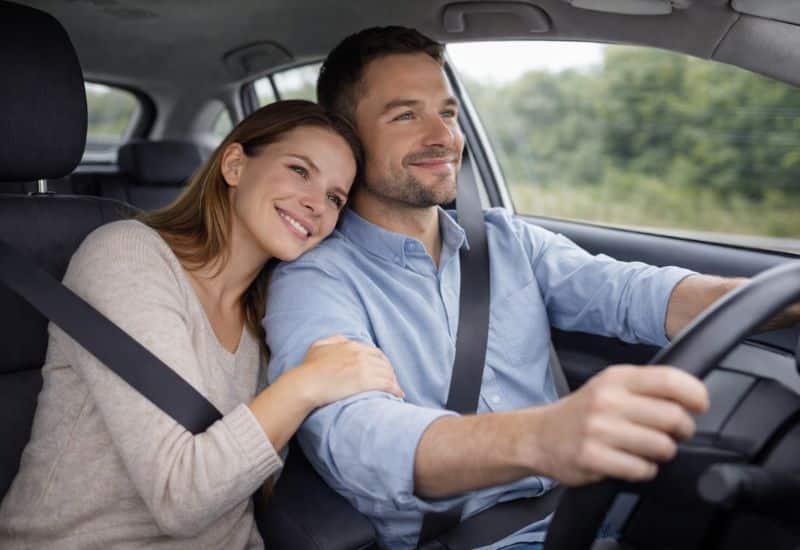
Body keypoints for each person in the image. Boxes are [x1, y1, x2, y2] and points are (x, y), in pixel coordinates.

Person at [263, 27, 800, 549]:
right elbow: (357, 437)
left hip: (593, 508)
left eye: (447, 113)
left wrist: (786, 297)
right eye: (406, 114)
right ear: (347, 136)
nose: (443, 137)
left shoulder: (504, 239)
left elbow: (636, 293)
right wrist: (544, 437)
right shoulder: (316, 280)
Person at [0, 100, 403, 549]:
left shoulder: (274, 313)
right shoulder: (127, 257)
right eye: (299, 170)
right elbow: (181, 495)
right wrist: (308, 383)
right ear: (234, 165)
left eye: (334, 197)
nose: (315, 204)